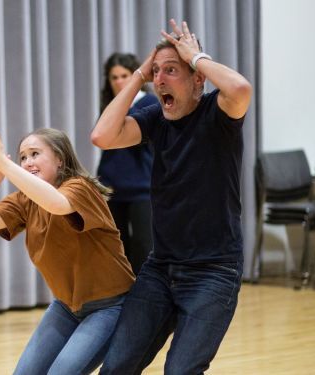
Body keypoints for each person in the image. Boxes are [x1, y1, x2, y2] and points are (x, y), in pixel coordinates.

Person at [91, 19, 252, 374]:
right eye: (157, 72)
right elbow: (102, 137)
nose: (160, 79)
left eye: (172, 71)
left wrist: (195, 57)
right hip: (160, 269)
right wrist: (138, 76)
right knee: (116, 366)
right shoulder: (155, 119)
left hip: (214, 271)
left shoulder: (218, 113)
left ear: (197, 78)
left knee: (180, 371)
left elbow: (240, 88)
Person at [0, 124, 135, 374]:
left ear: (59, 158)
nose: (27, 162)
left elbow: (57, 204)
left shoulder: (81, 187)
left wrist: (5, 165)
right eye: (22, 157)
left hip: (110, 306)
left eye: (35, 154)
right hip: (66, 307)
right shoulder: (25, 199)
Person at [97, 52, 160, 274]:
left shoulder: (149, 102)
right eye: (114, 77)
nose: (119, 81)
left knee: (144, 245)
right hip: (113, 188)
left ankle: (145, 296)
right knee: (117, 246)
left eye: (124, 76)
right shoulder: (110, 106)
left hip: (142, 188)